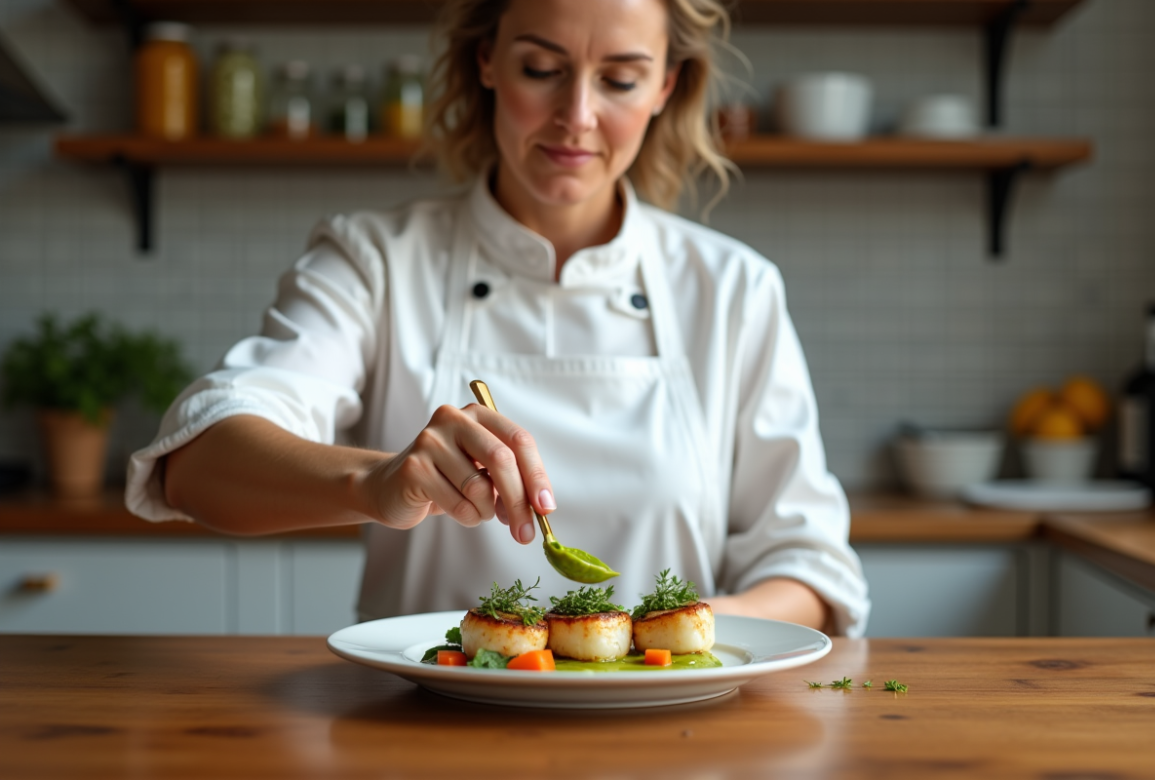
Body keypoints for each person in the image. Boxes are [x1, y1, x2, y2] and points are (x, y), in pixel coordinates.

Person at [126, 0, 870, 636]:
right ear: (487, 61)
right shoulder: (377, 260)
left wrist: (684, 634)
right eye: (541, 70)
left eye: (619, 78)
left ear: (665, 88)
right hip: (424, 733)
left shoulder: (732, 288)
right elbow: (197, 465)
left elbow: (809, 568)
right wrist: (379, 481)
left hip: (671, 730)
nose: (577, 116)